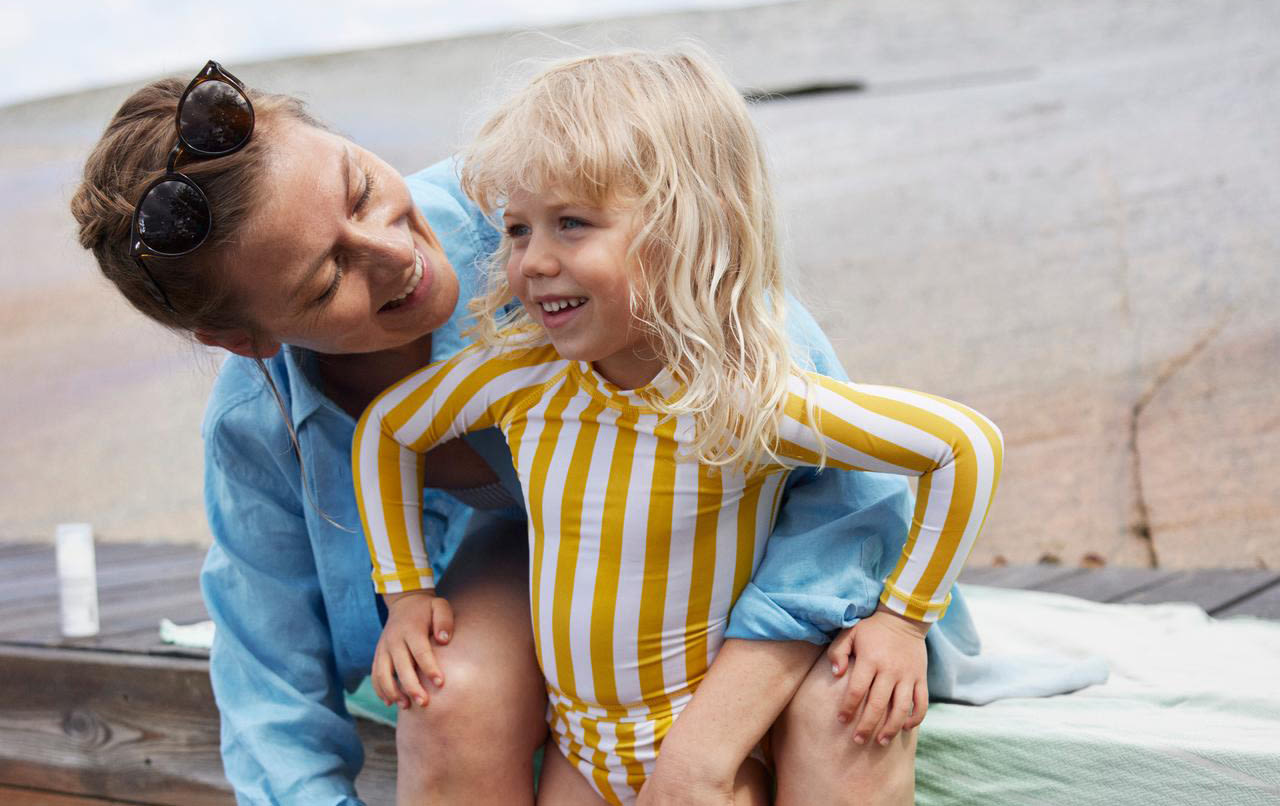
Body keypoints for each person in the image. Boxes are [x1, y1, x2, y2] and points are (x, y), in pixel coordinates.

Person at [352, 48, 1003, 806]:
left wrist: (903, 622)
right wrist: (405, 593)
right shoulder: (519, 378)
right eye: (519, 229)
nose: (532, 262)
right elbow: (387, 431)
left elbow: (964, 448)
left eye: (571, 223)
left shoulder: (743, 402)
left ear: (688, 228)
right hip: (579, 751)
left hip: (703, 756)